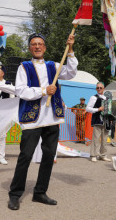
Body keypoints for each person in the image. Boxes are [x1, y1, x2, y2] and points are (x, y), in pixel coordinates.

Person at [8, 32, 77, 211]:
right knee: (25, 156)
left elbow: (70, 73)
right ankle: (15, 194)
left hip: (52, 117)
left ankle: (40, 192)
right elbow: (21, 91)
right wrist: (44, 91)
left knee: (48, 156)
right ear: (30, 48)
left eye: (40, 44)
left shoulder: (53, 65)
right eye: (33, 44)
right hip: (32, 120)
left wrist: (70, 50)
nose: (37, 46)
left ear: (44, 47)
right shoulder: (24, 67)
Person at [0, 64, 14, 165]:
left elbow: (12, 98)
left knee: (1, 136)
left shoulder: (8, 84)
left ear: (2, 74)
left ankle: (1, 156)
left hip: (2, 113)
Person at [86, 82, 112, 162]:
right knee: (96, 138)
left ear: (104, 88)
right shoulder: (93, 97)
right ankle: (93, 155)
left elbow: (110, 110)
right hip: (98, 119)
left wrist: (112, 117)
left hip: (106, 120)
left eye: (101, 87)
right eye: (97, 88)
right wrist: (98, 109)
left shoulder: (107, 98)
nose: (99, 89)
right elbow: (87, 108)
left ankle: (102, 155)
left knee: (104, 139)